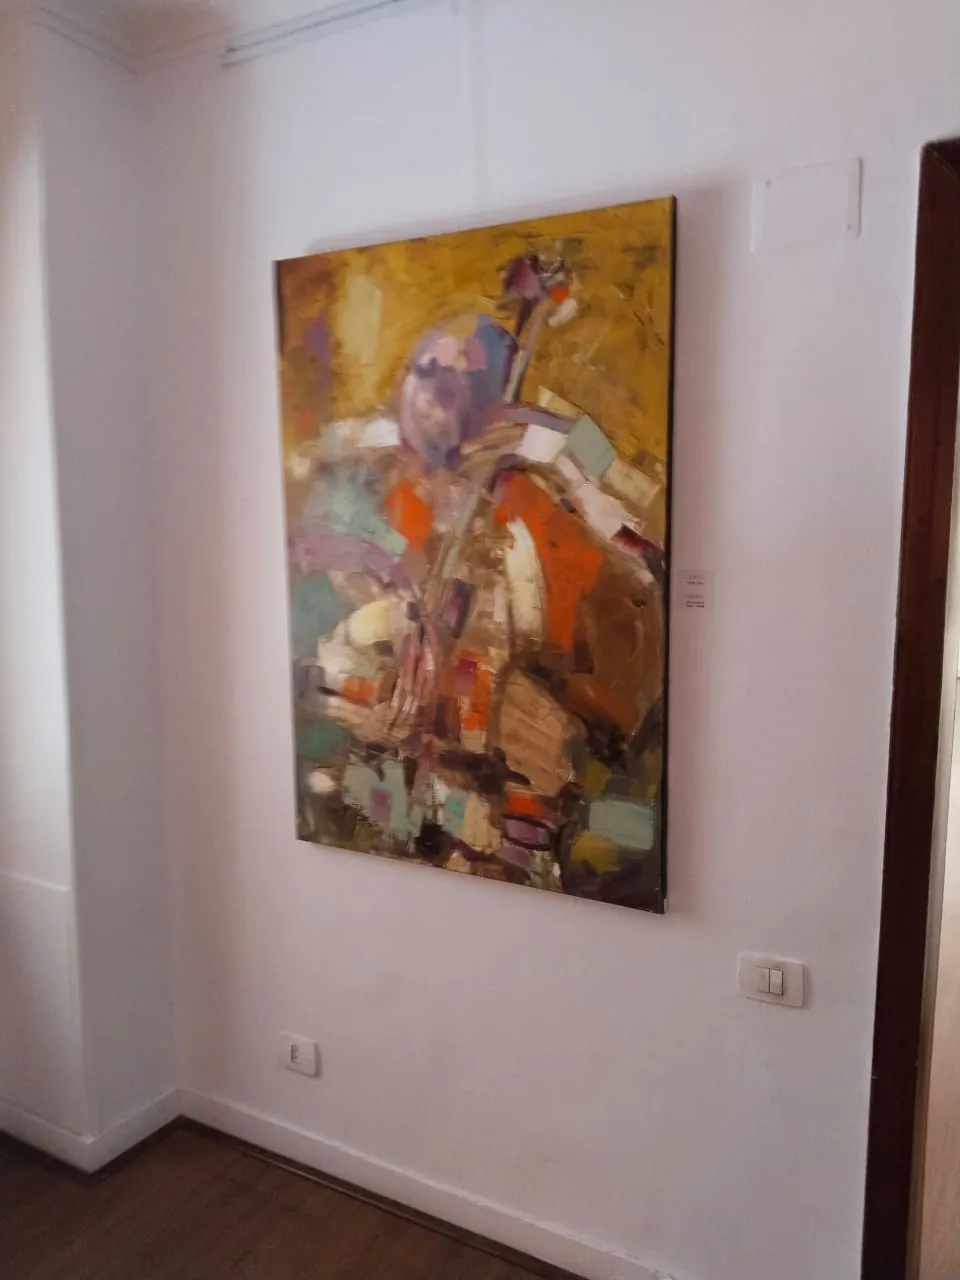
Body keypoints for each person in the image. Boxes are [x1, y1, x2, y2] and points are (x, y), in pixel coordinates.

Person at [288, 255, 665, 907]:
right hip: (382, 718)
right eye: (427, 371)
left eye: (464, 382)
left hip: (502, 737)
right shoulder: (363, 462)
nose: (438, 391)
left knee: (524, 720)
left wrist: (556, 437)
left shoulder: (524, 477)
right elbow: (310, 519)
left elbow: (646, 522)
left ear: (492, 401)